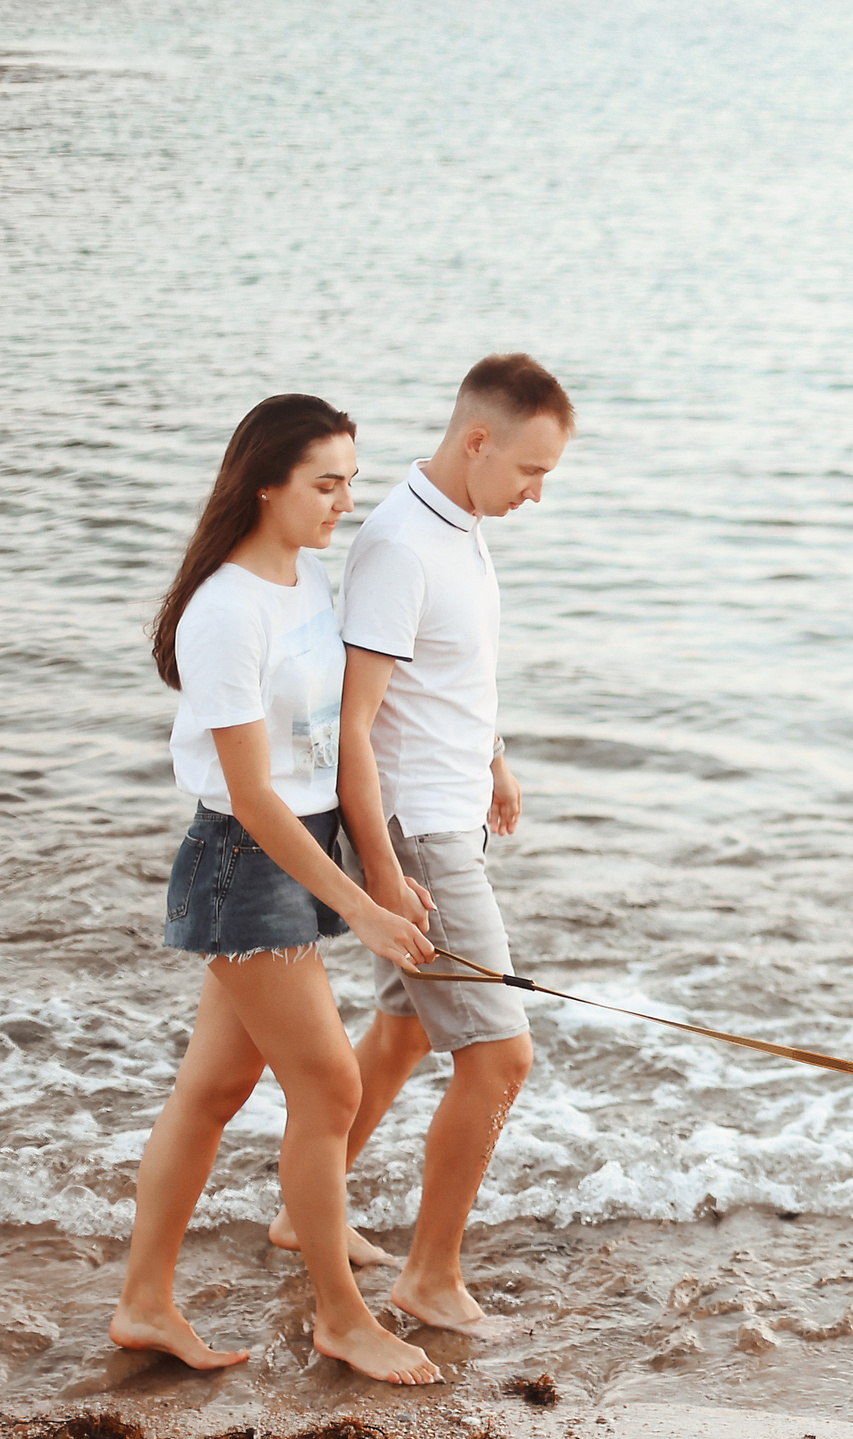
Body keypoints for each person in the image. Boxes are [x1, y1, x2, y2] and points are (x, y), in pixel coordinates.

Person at [111, 394, 444, 1385]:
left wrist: (379, 870)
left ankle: (143, 1303)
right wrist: (361, 907)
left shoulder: (306, 577)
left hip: (303, 849)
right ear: (265, 484)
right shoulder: (225, 610)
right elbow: (252, 798)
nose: (345, 502)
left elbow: (333, 741)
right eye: (325, 483)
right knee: (331, 1084)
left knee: (213, 1090)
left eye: (351, 482)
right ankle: (342, 1318)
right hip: (247, 861)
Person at [271, 354, 572, 1334]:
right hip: (418, 834)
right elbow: (354, 726)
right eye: (530, 470)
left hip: (451, 811)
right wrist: (382, 873)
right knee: (502, 1058)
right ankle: (430, 1277)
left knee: (404, 1031)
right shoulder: (400, 544)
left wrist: (495, 757)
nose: (537, 493)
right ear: (477, 441)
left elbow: (449, 675)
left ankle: (300, 1214)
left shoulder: (461, 523)